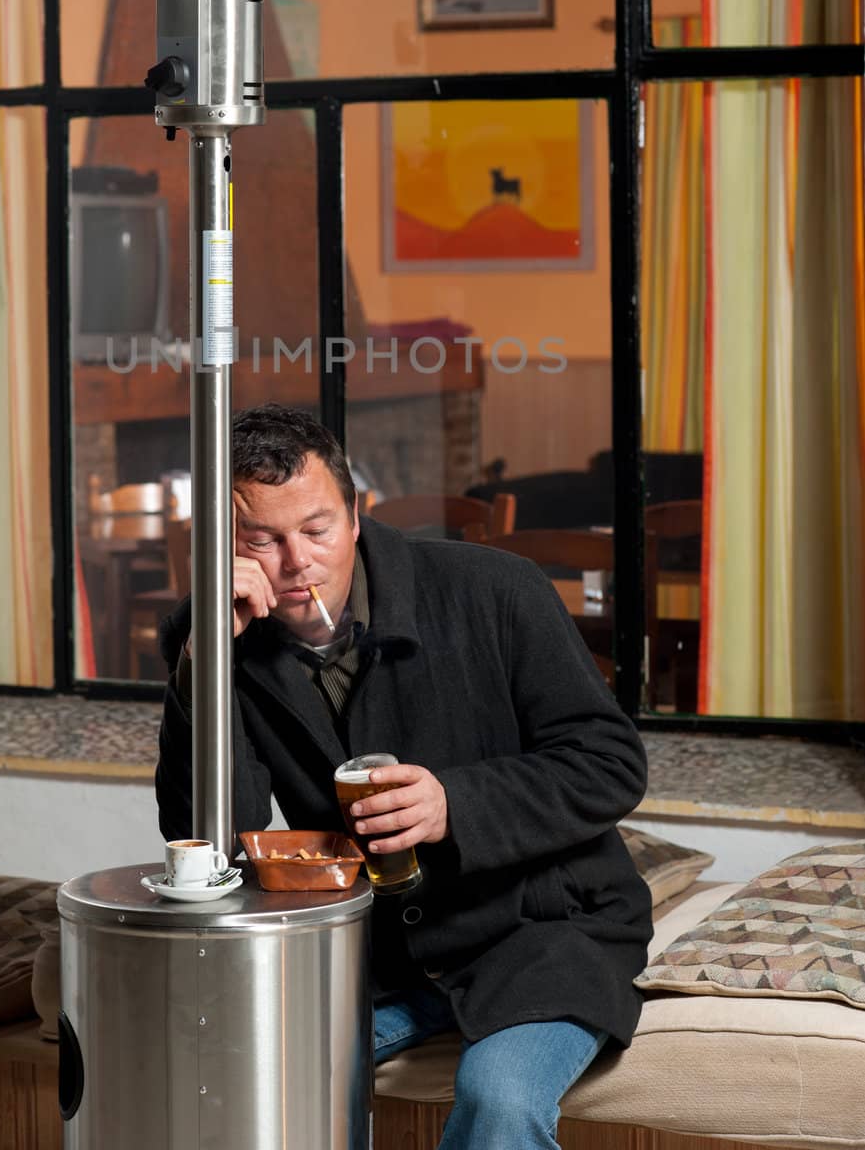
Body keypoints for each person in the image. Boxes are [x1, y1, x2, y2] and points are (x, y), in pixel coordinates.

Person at [157, 404, 652, 1150]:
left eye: (317, 530)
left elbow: (610, 764)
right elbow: (210, 840)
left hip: (544, 933)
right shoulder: (211, 634)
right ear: (221, 544)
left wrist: (454, 802)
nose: (297, 564)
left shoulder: (497, 590)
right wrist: (207, 670)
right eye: (261, 540)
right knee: (230, 1080)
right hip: (377, 951)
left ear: (355, 515)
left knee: (501, 1102)